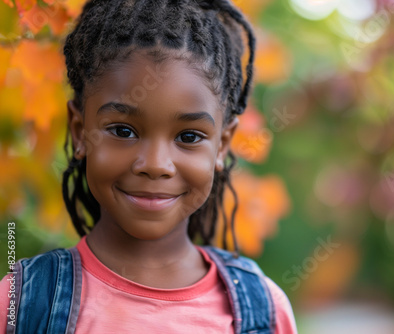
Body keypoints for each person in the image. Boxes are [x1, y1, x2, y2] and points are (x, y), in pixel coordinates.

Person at [0, 0, 297, 333]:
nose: (155, 165)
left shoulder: (263, 310)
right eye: (123, 131)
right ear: (80, 132)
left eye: (188, 136)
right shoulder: (22, 303)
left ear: (222, 145)